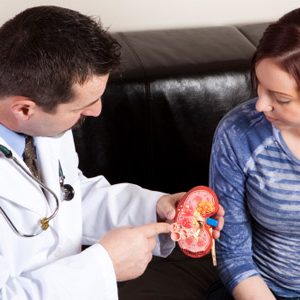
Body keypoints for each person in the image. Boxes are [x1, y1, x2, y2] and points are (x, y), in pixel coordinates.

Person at [0, 6, 224, 300]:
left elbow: (68, 194)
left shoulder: (43, 127)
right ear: (24, 109)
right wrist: (102, 267)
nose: (97, 111)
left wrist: (156, 209)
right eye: (82, 107)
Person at [209, 7, 300, 300]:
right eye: (259, 86)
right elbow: (233, 255)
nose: (260, 105)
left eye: (280, 98)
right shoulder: (238, 133)